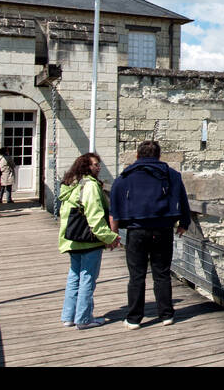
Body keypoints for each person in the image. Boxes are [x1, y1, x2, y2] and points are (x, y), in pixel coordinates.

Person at [109, 140, 192, 328]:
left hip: (136, 230)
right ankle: (166, 315)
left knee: (136, 275)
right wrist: (184, 223)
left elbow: (114, 207)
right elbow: (183, 200)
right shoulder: (172, 175)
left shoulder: (125, 177)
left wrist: (113, 233)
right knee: (161, 274)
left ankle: (134, 318)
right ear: (158, 156)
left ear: (137, 156)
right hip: (163, 229)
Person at [57, 152, 119, 330]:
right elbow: (94, 216)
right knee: (87, 278)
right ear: (86, 167)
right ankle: (84, 318)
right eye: (94, 164)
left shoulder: (72, 185)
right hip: (88, 239)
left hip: (72, 238)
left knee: (74, 277)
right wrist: (110, 237)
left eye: (98, 164)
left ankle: (69, 316)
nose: (98, 167)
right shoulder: (90, 186)